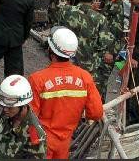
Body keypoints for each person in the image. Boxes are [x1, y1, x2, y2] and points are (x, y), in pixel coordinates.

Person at [30, 27, 104, 160]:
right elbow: (96, 112)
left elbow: (30, 117)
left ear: (50, 50)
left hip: (41, 142)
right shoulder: (85, 77)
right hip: (65, 142)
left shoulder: (37, 79)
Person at [61, 0, 111, 78]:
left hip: (66, 60)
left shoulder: (66, 10)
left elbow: (59, 30)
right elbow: (103, 44)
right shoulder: (100, 19)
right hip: (88, 65)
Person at [0, 75, 47, 159]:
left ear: (23, 105)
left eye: (10, 107)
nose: (5, 110)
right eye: (4, 105)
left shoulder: (34, 133)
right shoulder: (8, 114)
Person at [92, 0, 124, 97]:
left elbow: (117, 30)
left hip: (106, 49)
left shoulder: (115, 2)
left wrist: (110, 52)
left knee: (99, 83)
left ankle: (98, 113)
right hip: (94, 46)